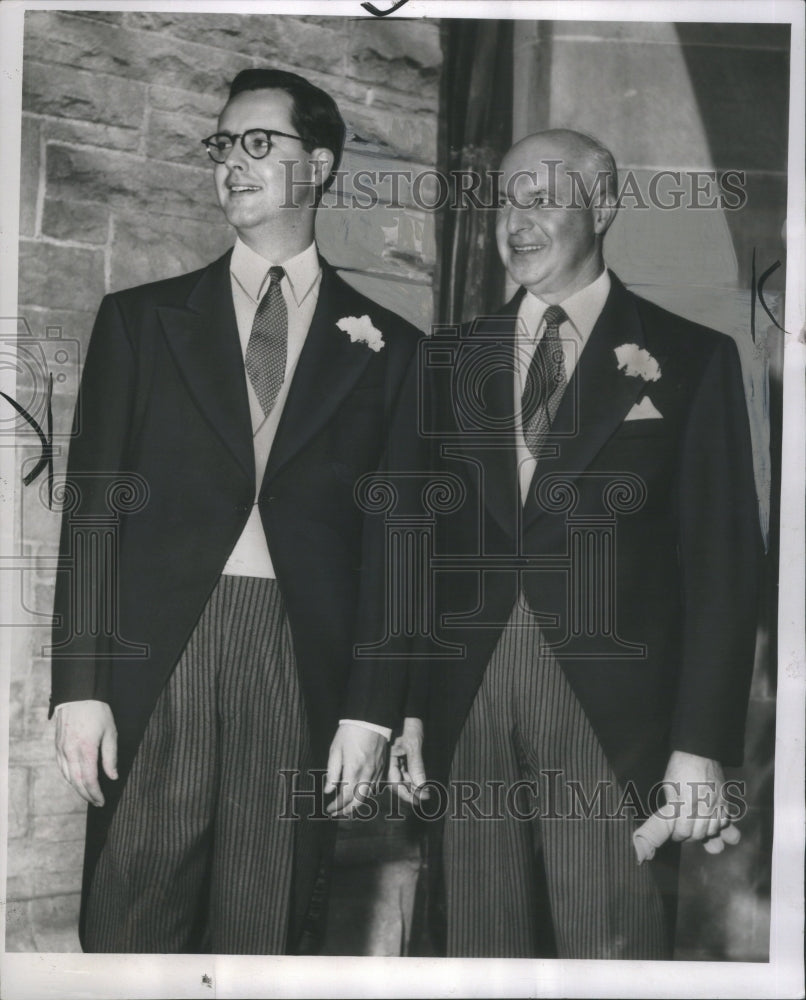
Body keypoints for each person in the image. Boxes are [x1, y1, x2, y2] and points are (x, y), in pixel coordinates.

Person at [49, 67, 421, 954]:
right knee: (129, 913)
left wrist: (371, 713)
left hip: (299, 655)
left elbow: (398, 544)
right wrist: (80, 686)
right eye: (224, 145)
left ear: (321, 164)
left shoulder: (394, 349)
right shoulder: (142, 322)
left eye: (261, 143)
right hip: (158, 654)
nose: (233, 162)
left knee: (268, 917)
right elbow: (93, 514)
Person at [391, 129, 761, 959]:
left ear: (603, 207)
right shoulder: (446, 360)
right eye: (505, 200)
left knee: (610, 944)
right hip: (468, 697)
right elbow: (415, 547)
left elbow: (723, 567)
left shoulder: (693, 361)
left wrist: (698, 746)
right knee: (477, 949)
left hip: (616, 716)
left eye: (543, 198)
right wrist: (407, 703)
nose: (516, 221)